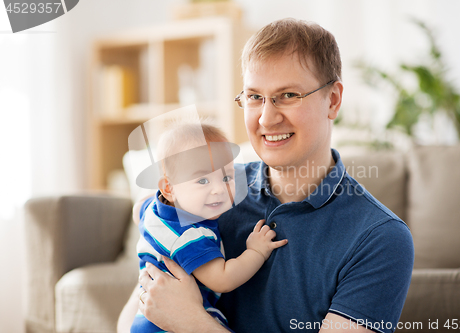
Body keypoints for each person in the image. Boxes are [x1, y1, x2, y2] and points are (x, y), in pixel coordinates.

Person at [118, 18, 414, 333]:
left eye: (287, 95)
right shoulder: (209, 195)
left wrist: (192, 322)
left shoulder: (381, 239)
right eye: (254, 97)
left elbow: (172, 312)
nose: (267, 118)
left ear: (334, 100)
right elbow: (134, 319)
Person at [130, 120, 288, 333]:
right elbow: (222, 279)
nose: (219, 190)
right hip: (168, 325)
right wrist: (256, 251)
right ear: (168, 188)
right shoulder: (189, 234)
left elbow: (136, 210)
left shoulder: (152, 208)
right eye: (202, 181)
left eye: (226, 177)